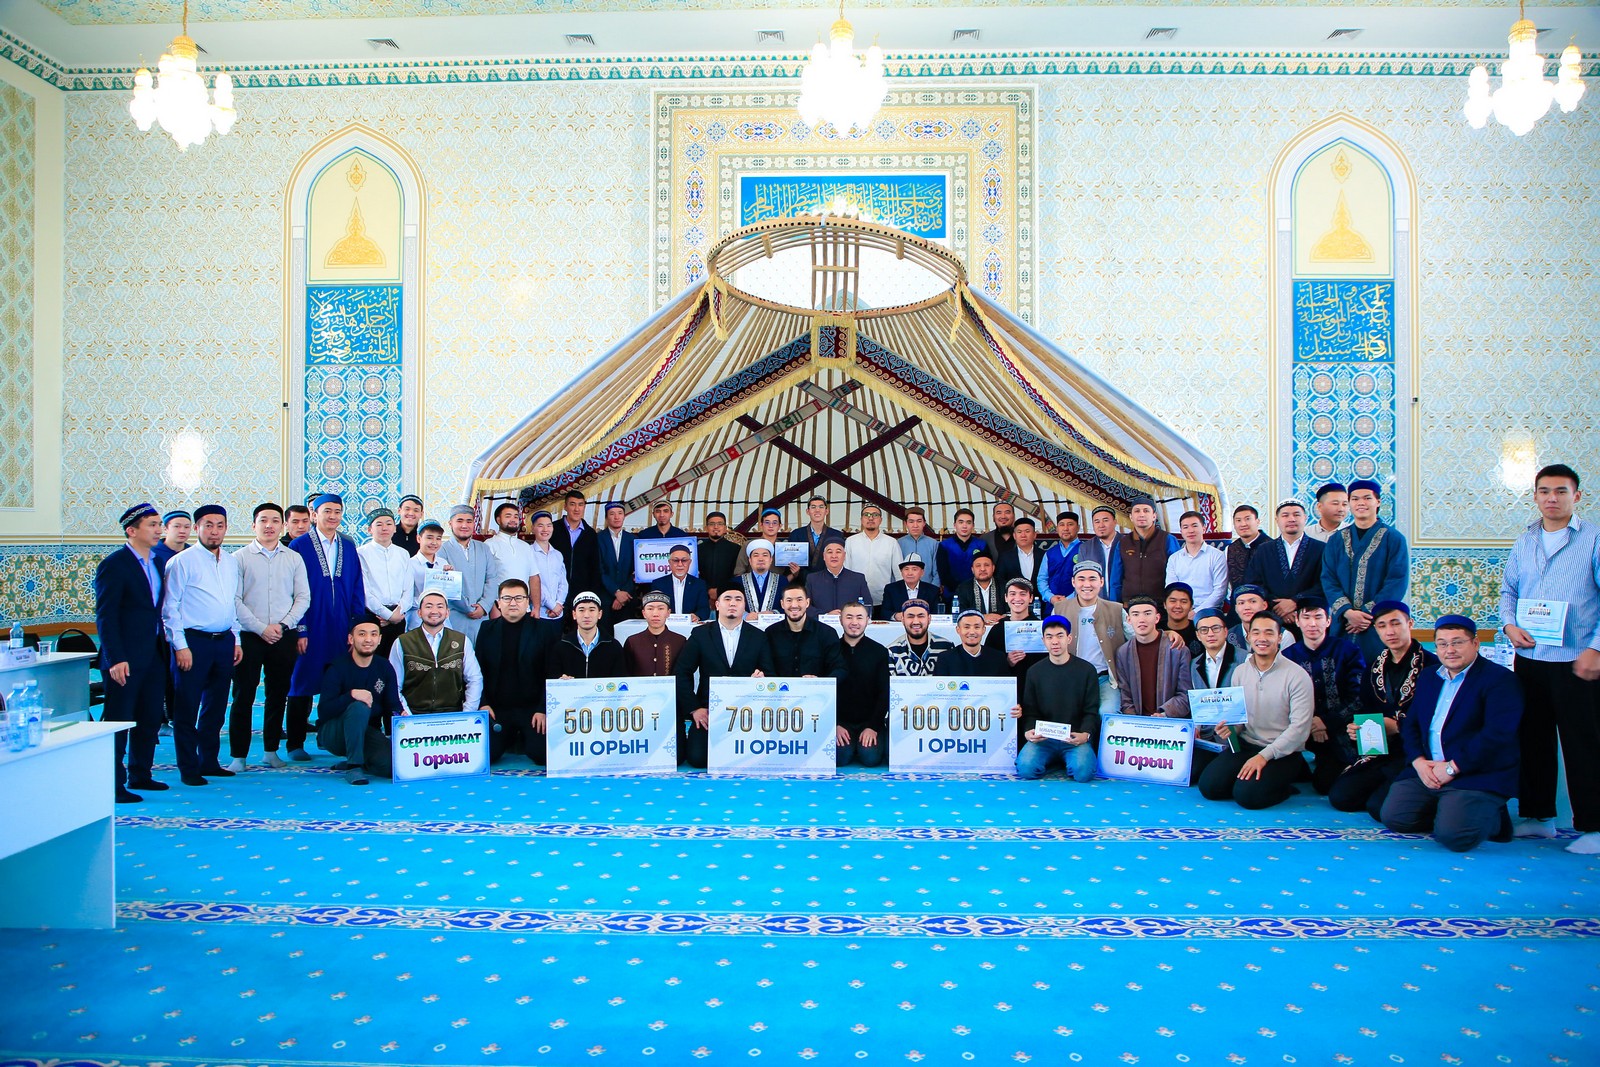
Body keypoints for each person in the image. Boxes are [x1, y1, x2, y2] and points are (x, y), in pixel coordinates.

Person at [1500, 463, 1600, 853]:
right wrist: (1509, 625)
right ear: (1535, 496)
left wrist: (1595, 648)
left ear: (1577, 496)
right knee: (1533, 737)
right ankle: (1538, 817)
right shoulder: (1525, 540)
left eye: (1560, 491)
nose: (1552, 498)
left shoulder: (1593, 539)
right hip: (1530, 655)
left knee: (1583, 742)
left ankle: (1594, 827)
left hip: (1578, 659)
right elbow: (1509, 591)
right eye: (1544, 491)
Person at [1381, 614, 1522, 852]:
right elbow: (1411, 724)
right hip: (1430, 768)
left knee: (1455, 838)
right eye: (1443, 644)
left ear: (1475, 643)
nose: (1450, 650)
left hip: (1474, 772)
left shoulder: (1500, 680)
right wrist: (1418, 762)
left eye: (1457, 642)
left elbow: (1497, 735)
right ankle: (1457, 811)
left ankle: (1491, 818)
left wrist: (1452, 768)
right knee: (1395, 818)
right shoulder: (1430, 676)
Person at [1329, 600, 1437, 820]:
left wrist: (1398, 727)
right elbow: (1366, 710)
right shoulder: (1374, 667)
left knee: (1378, 808)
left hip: (1418, 751)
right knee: (1341, 797)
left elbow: (1438, 718)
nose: (1390, 631)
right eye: (1382, 625)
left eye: (1396, 623)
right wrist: (1357, 729)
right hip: (1382, 750)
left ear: (1410, 624)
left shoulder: (1432, 666)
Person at [162, 504, 242, 786]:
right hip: (193, 643)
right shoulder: (181, 562)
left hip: (223, 642)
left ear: (226, 529)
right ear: (197, 528)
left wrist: (236, 638)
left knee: (216, 707)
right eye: (208, 525)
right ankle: (188, 767)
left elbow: (231, 603)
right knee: (187, 708)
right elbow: (170, 608)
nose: (214, 531)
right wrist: (180, 646)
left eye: (220, 525)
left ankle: (209, 760)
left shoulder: (231, 562)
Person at [1199, 614, 1314, 810]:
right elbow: (1239, 721)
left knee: (1247, 796)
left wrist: (1264, 756)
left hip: (1282, 752)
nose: (1262, 638)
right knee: (1210, 787)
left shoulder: (1297, 676)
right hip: (1247, 745)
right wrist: (1229, 730)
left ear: (1279, 637)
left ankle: (1285, 786)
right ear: (1249, 637)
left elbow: (1299, 730)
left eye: (1269, 633)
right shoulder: (1240, 672)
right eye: (1256, 632)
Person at [286, 493, 368, 762]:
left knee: (337, 682)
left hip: (341, 626)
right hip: (311, 624)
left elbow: (356, 586)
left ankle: (329, 737)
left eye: (337, 511)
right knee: (302, 682)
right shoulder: (299, 545)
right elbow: (292, 591)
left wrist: (355, 627)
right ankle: (295, 742)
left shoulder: (348, 545)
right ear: (314, 515)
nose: (333, 516)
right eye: (327, 511)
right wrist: (300, 629)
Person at [97, 503, 169, 803]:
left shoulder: (157, 562)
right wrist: (115, 658)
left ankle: (141, 774)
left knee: (149, 717)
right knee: (119, 720)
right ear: (132, 530)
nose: (158, 530)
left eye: (159, 524)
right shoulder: (115, 564)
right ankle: (112, 783)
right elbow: (106, 616)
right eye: (152, 525)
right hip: (124, 658)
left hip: (153, 654)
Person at [230, 502, 309, 772]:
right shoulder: (239, 558)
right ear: (254, 525)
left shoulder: (293, 558)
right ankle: (238, 756)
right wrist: (260, 627)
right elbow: (235, 600)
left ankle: (271, 751)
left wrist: (284, 625)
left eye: (275, 520)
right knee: (243, 695)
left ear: (282, 525)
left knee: (278, 694)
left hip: (283, 636)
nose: (269, 525)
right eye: (263, 520)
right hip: (250, 636)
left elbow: (303, 597)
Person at [675, 588, 773, 768]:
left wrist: (761, 678)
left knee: (758, 758)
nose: (733, 603)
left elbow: (769, 672)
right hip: (709, 712)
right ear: (717, 605)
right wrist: (695, 709)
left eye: (738, 599)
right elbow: (682, 672)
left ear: (744, 606)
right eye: (727, 599)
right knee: (698, 758)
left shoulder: (758, 636)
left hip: (748, 712)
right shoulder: (700, 634)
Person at [1282, 596, 1365, 795]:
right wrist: (1311, 722)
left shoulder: (1348, 651)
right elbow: (1283, 701)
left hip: (1340, 728)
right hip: (1302, 728)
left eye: (1318, 617)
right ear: (1297, 620)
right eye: (1306, 617)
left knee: (1325, 784)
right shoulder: (1287, 657)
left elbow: (1359, 697)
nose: (1312, 624)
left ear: (1328, 621)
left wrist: (1326, 722)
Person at [476, 578, 561, 765]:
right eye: (507, 598)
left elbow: (552, 672)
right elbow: (478, 672)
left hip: (532, 709)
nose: (512, 603)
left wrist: (543, 709)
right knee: (485, 756)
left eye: (518, 598)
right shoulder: (486, 629)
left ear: (527, 602)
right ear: (498, 603)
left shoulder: (544, 629)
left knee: (542, 755)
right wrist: (483, 703)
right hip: (497, 709)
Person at [1322, 480, 1409, 663]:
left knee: (1378, 671)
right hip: (1343, 623)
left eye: (1367, 498)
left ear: (1378, 502)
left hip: (1377, 622)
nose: (1361, 503)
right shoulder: (1337, 539)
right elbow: (1328, 578)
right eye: (1355, 499)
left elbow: (1396, 582)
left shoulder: (1393, 539)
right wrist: (1348, 612)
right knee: (1341, 670)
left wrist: (1365, 614)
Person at [316, 618, 403, 785]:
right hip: (334, 733)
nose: (368, 639)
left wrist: (401, 714)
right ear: (351, 639)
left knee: (391, 767)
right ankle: (353, 766)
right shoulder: (337, 668)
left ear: (379, 639)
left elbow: (392, 705)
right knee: (359, 706)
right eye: (362, 634)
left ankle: (359, 760)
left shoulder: (384, 667)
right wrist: (351, 695)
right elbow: (324, 711)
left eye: (373, 634)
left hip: (366, 732)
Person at [1015, 615, 1101, 783]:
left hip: (1074, 737)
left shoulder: (1087, 670)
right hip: (1044, 739)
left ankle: (1062, 760)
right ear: (1043, 640)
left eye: (1060, 636)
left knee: (1083, 773)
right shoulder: (1034, 672)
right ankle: (1055, 760)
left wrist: (1085, 734)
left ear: (1069, 638)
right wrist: (1029, 730)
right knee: (1025, 769)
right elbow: (1030, 710)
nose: (1055, 641)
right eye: (1049, 637)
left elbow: (1091, 710)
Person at [391, 592, 484, 730]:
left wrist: (466, 715)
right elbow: (394, 685)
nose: (434, 611)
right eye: (428, 606)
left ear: (447, 613)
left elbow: (475, 679)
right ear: (419, 612)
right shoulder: (402, 642)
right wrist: (408, 715)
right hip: (414, 717)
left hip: (453, 717)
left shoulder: (461, 641)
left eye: (440, 606)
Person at [1059, 560, 1127, 718]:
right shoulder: (1060, 609)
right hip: (1071, 678)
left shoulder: (1116, 609)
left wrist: (1167, 633)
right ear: (1073, 582)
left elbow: (1138, 636)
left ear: (1101, 582)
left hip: (1105, 679)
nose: (1087, 584)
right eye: (1081, 579)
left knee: (1108, 713)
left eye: (1092, 579)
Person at [1244, 499, 1326, 626]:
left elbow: (1324, 583)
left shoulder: (1321, 549)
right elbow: (1254, 582)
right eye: (1285, 515)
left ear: (1305, 518)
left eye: (1296, 515)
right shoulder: (1264, 550)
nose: (1291, 519)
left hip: (1309, 618)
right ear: (1277, 520)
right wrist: (1279, 607)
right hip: (1272, 617)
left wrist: (1295, 602)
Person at [1116, 596, 1192, 718]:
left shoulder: (1177, 649)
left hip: (1169, 721)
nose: (1141, 619)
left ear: (1157, 618)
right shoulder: (1123, 653)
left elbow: (1185, 694)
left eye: (1147, 614)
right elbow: (1125, 695)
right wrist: (1134, 719)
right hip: (1136, 722)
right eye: (1135, 614)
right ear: (1128, 620)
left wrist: (1165, 714)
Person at [836, 601, 890, 768]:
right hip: (840, 722)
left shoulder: (879, 651)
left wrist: (873, 726)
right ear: (840, 620)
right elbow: (824, 690)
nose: (854, 622)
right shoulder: (831, 650)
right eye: (849, 617)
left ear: (868, 620)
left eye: (859, 617)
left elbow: (884, 693)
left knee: (870, 758)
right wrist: (834, 724)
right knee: (840, 758)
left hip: (870, 721)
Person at [440, 504, 500, 641]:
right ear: (450, 523)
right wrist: (467, 608)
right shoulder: (442, 551)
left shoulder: (483, 548)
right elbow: (446, 586)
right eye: (459, 521)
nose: (464, 525)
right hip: (455, 616)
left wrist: (484, 606)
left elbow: (492, 578)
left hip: (482, 616)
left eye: (469, 521)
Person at [358, 507, 413, 656]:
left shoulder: (403, 554)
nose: (384, 528)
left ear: (394, 528)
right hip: (373, 616)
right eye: (379, 524)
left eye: (389, 524)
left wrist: (397, 613)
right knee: (372, 659)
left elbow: (409, 588)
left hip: (399, 616)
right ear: (369, 529)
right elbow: (365, 591)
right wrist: (388, 615)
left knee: (397, 659)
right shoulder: (361, 554)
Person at [766, 586, 846, 679]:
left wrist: (820, 682)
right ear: (782, 604)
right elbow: (766, 668)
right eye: (789, 600)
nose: (794, 605)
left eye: (799, 600)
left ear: (807, 603)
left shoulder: (827, 633)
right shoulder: (770, 634)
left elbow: (839, 668)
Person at [984, 578, 1047, 695]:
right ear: (1006, 598)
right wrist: (1006, 661)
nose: (1017, 598)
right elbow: (988, 662)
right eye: (1012, 594)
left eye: (1023, 594)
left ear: (1031, 598)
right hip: (1007, 691)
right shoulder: (998, 629)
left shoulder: (1041, 628)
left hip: (1036, 689)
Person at [546, 591, 626, 679]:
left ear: (599, 614)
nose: (586, 615)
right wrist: (561, 681)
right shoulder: (561, 647)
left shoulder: (613, 646)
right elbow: (553, 678)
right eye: (581, 610)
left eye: (592, 610)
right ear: (574, 614)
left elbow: (620, 681)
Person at [1119, 495, 1179, 604]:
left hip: (1160, 604)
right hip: (1130, 604)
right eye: (1137, 511)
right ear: (1131, 517)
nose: (1141, 514)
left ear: (1154, 516)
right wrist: (1116, 604)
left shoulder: (1167, 539)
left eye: (1146, 511)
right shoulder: (1123, 542)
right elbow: (1116, 577)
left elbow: (1177, 573)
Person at [1164, 510, 1228, 611]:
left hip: (1209, 610)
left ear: (1204, 528)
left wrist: (1196, 611)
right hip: (1181, 609)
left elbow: (1220, 591)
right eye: (1186, 527)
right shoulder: (1174, 558)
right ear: (1181, 532)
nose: (1190, 531)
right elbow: (1171, 588)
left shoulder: (1217, 556)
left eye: (1194, 526)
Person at [550, 489, 603, 605]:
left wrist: (592, 595)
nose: (576, 509)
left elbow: (594, 567)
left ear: (584, 507)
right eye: (572, 504)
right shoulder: (553, 529)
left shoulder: (590, 534)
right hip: (555, 592)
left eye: (580, 505)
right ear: (565, 507)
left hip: (581, 593)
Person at [844, 504, 903, 607]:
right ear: (861, 519)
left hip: (884, 599)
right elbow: (846, 571)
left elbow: (899, 573)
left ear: (880, 520)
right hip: (856, 599)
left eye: (875, 515)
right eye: (866, 515)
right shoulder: (851, 541)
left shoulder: (891, 542)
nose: (870, 518)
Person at [485, 502, 535, 617]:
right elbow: (485, 579)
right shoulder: (489, 545)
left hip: (524, 607)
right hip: (500, 607)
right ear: (498, 520)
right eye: (508, 516)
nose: (513, 520)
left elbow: (533, 577)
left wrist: (536, 607)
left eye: (516, 516)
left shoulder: (525, 546)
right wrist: (493, 607)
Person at [622, 590, 687, 677]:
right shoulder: (632, 642)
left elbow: (684, 674)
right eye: (650, 609)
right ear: (644, 613)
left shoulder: (680, 641)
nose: (655, 614)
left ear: (668, 613)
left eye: (661, 608)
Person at [806, 536, 872, 617]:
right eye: (830, 552)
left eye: (838, 552)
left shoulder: (858, 579)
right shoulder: (812, 579)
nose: (834, 556)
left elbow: (868, 606)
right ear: (824, 556)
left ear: (844, 556)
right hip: (821, 624)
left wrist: (849, 616)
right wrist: (826, 615)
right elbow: (806, 606)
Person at [934, 610, 1012, 678]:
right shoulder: (945, 659)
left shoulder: (998, 658)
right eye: (966, 627)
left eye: (977, 627)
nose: (972, 632)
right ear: (958, 630)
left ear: (984, 630)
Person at [886, 600, 953, 677]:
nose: (916, 622)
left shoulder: (946, 647)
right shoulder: (892, 651)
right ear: (903, 620)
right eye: (910, 616)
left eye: (921, 616)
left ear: (929, 619)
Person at [409, 518, 455, 627]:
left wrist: (450, 579)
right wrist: (427, 604)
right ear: (419, 538)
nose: (434, 542)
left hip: (441, 619)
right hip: (417, 619)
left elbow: (449, 595)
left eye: (438, 538)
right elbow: (406, 597)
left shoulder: (443, 563)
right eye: (429, 538)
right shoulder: (410, 564)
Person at [597, 501, 638, 623]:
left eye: (620, 513)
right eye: (612, 514)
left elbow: (637, 571)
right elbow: (599, 570)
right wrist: (616, 592)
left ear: (624, 516)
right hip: (605, 598)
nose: (616, 517)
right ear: (606, 517)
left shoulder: (633, 539)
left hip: (628, 597)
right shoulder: (598, 539)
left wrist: (624, 593)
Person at [735, 508, 799, 584]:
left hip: (777, 588)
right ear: (761, 525)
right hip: (751, 586)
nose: (771, 526)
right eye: (767, 522)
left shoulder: (784, 548)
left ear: (780, 526)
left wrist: (794, 574)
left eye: (774, 523)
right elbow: (739, 572)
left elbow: (784, 580)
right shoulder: (749, 545)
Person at [1076, 506, 1125, 603]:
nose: (1101, 525)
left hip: (1124, 602)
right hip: (1096, 603)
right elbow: (1080, 577)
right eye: (1097, 521)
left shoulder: (1127, 543)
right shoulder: (1086, 548)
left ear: (1115, 522)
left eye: (1105, 520)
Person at [650, 543, 710, 620]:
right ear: (669, 562)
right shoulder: (658, 584)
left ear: (689, 562)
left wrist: (696, 616)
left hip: (690, 625)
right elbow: (654, 608)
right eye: (676, 560)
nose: (680, 564)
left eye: (684, 560)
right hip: (666, 625)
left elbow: (704, 609)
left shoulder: (699, 584)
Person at [527, 510, 569, 621]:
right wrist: (552, 605)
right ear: (532, 528)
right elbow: (534, 583)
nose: (545, 530)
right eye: (540, 526)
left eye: (549, 525)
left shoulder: (557, 554)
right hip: (539, 613)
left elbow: (563, 582)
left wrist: (559, 603)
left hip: (558, 613)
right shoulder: (528, 552)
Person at [936, 507, 986, 598]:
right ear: (955, 525)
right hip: (951, 593)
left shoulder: (981, 545)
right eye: (961, 522)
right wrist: (959, 589)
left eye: (968, 522)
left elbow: (985, 569)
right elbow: (943, 573)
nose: (964, 526)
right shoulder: (944, 545)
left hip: (976, 592)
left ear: (973, 525)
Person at [788, 495, 842, 576]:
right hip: (802, 580)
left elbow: (840, 560)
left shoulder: (836, 535)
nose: (817, 510)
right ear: (808, 511)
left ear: (826, 511)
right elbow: (791, 559)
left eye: (821, 507)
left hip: (829, 579)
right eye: (813, 507)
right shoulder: (796, 534)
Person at [1227, 585, 1292, 652]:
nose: (1247, 607)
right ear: (1236, 608)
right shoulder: (1228, 635)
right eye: (1241, 603)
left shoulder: (1284, 635)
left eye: (1253, 601)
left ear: (1264, 605)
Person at [1190, 608, 1241, 690]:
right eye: (1204, 630)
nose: (1210, 634)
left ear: (1225, 631)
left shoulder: (1245, 659)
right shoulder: (1193, 665)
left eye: (1216, 628)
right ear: (1198, 635)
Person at [997, 516, 1049, 595]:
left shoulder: (1044, 555)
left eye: (1027, 531)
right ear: (1014, 536)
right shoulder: (1005, 557)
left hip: (1040, 600)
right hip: (1015, 600)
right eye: (1019, 532)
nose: (1023, 535)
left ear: (1034, 535)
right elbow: (1000, 581)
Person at [696, 510, 742, 600]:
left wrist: (720, 590)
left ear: (725, 528)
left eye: (720, 524)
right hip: (703, 595)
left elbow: (737, 575)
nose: (716, 527)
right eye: (712, 524)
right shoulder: (698, 549)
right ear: (706, 528)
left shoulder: (735, 549)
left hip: (728, 595)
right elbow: (695, 574)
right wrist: (708, 589)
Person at [951, 548, 1004, 622]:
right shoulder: (963, 588)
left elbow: (1012, 611)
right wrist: (983, 617)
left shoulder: (1004, 586)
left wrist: (1001, 618)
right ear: (972, 570)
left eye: (986, 565)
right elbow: (960, 613)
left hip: (1000, 627)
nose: (982, 569)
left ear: (993, 568)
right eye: (978, 566)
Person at [736, 539, 786, 617]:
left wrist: (773, 613)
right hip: (746, 624)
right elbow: (732, 606)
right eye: (756, 555)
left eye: (765, 555)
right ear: (750, 560)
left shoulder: (782, 581)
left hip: (774, 624)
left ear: (771, 560)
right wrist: (745, 615)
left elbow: (788, 606)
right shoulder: (737, 582)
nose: (760, 559)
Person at [881, 553, 939, 620]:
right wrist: (895, 616)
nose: (910, 573)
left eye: (914, 569)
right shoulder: (891, 589)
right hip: (899, 624)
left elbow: (936, 614)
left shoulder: (932, 590)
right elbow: (884, 612)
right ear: (901, 572)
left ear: (922, 572)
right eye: (906, 569)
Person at [897, 507, 943, 590]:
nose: (915, 525)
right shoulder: (898, 544)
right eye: (911, 521)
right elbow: (895, 570)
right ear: (905, 523)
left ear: (924, 523)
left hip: (928, 590)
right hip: (903, 590)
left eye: (919, 521)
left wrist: (932, 590)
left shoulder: (933, 544)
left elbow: (937, 571)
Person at [1043, 511, 1082, 605]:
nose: (1065, 528)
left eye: (1070, 524)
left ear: (1078, 528)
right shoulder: (1050, 553)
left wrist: (1069, 599)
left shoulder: (1085, 550)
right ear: (1057, 528)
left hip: (1078, 604)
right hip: (1052, 604)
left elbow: (1088, 580)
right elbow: (1042, 579)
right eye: (1062, 525)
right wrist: (1050, 597)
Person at [1225, 504, 1266, 593]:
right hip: (1237, 600)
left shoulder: (1271, 547)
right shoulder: (1231, 549)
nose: (1243, 524)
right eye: (1238, 520)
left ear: (1257, 521)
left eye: (1247, 519)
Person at [1163, 583, 1198, 651]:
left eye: (1183, 602)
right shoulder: (1155, 629)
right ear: (1165, 605)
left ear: (1191, 606)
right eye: (1173, 601)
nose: (1178, 606)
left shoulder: (1199, 630)